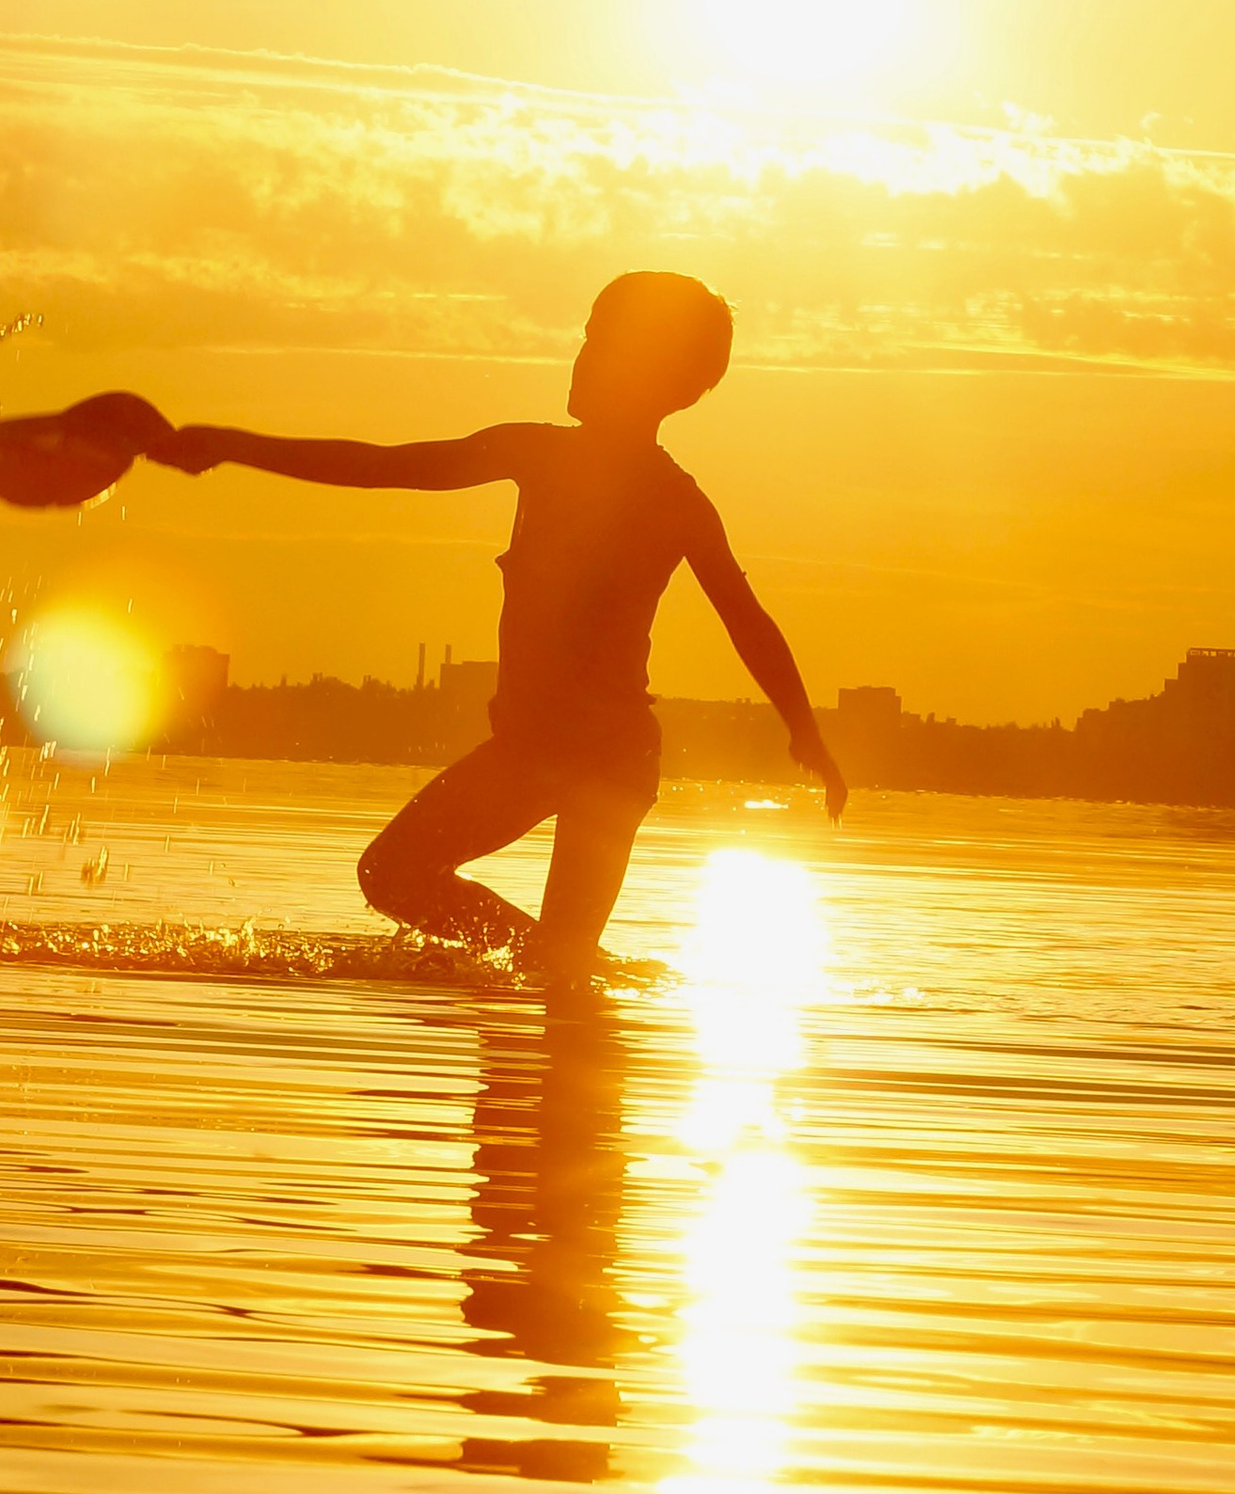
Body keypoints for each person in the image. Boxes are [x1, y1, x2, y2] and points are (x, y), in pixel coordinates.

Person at [157, 271, 845, 975]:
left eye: (602, 346)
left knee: (560, 968)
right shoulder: (534, 453)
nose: (580, 359)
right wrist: (238, 446)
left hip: (610, 762)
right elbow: (384, 468)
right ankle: (574, 969)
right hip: (526, 751)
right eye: (586, 340)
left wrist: (805, 731)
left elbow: (746, 618)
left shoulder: (675, 501)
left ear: (661, 377)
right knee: (392, 876)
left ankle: (574, 969)